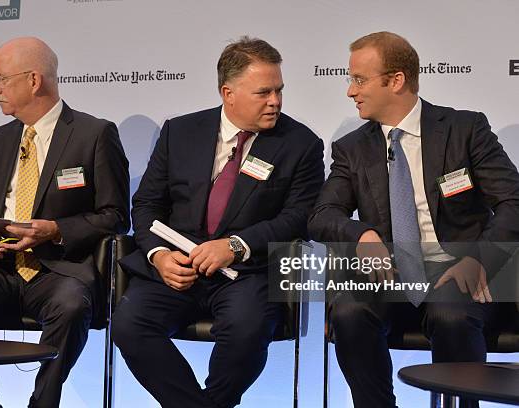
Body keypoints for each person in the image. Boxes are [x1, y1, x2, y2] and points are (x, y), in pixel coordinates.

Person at [309, 31, 519, 408]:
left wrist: (479, 258)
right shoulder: (353, 148)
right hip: (391, 275)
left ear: (395, 80)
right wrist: (362, 235)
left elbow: (513, 201)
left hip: (460, 272)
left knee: (451, 314)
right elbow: (322, 215)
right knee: (349, 311)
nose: (350, 91)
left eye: (359, 79)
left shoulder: (465, 130)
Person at [113, 36, 324, 408]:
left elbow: (299, 217)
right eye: (263, 92)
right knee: (130, 325)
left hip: (247, 270)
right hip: (177, 268)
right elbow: (146, 204)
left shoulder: (301, 143)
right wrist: (159, 256)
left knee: (247, 329)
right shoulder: (180, 132)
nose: (275, 101)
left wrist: (235, 246)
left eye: (279, 90)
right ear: (228, 92)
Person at [0, 37, 130, 408]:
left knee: (72, 305)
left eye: (1, 78)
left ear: (34, 81)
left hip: (57, 270)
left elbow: (116, 217)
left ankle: (43, 402)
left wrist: (56, 230)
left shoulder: (94, 134)